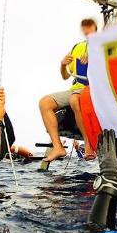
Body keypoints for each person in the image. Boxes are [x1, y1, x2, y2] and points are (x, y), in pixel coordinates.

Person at [39, 18, 97, 162]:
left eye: (90, 27)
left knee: (74, 100)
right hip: (76, 87)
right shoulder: (77, 47)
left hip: (92, 87)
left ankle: (88, 144)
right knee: (44, 102)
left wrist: (94, 58)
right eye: (84, 28)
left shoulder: (102, 46)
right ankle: (58, 147)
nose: (87, 30)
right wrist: (63, 65)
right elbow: (65, 76)